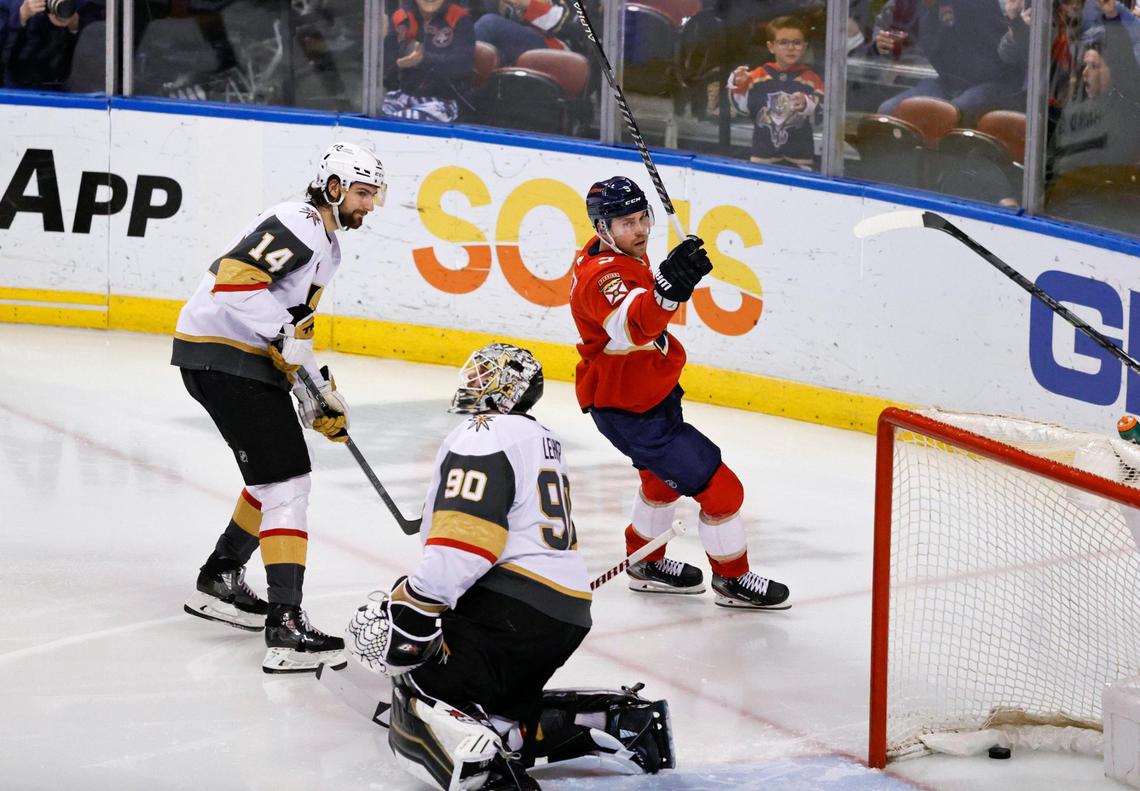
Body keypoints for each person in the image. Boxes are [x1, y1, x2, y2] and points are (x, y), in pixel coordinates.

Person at [343, 344, 674, 790]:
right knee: (499, 711)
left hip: (507, 610)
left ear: (510, 388)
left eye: (484, 376)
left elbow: (467, 538)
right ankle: (615, 722)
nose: (472, 384)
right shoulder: (539, 437)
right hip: (562, 617)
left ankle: (494, 777)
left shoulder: (483, 431)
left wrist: (417, 604)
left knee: (417, 685)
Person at [171, 141, 387, 673]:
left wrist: (319, 394)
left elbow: (293, 330)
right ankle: (285, 625)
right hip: (223, 358)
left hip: (240, 362)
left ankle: (221, 577)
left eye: (374, 194)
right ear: (333, 187)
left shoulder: (328, 246)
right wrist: (284, 340)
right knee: (287, 484)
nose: (369, 204)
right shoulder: (299, 220)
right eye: (361, 192)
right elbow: (235, 284)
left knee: (271, 479)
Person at [567, 176, 791, 610]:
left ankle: (645, 564)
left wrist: (668, 284)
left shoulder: (616, 255)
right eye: (626, 223)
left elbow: (642, 307)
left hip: (646, 399)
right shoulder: (601, 276)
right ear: (601, 229)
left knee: (659, 483)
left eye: (642, 218)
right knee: (723, 491)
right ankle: (732, 579)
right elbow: (633, 325)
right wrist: (667, 292)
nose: (640, 230)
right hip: (631, 410)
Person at [877, 0, 1023, 125]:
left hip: (1000, 83)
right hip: (948, 83)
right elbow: (884, 26)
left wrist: (1015, 25)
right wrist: (882, 41)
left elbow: (1018, 41)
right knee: (889, 111)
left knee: (953, 114)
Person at [728, 16, 824, 169]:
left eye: (797, 43)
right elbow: (741, 108)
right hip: (762, 155)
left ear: (805, 47)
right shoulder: (757, 76)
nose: (791, 48)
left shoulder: (811, 78)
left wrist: (808, 103)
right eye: (783, 42)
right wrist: (737, 84)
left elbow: (824, 108)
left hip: (800, 156)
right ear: (771, 46)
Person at [382, 0, 475, 123]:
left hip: (445, 101)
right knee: (373, 114)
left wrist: (424, 59)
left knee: (398, 122)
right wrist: (395, 60)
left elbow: (463, 67)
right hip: (403, 95)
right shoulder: (400, 18)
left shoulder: (460, 18)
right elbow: (385, 67)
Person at [1, 0, 102, 89]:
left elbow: (103, 33)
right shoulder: (7, 4)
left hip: (61, 87)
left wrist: (75, 23)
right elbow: (5, 55)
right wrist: (20, 16)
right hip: (11, 87)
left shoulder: (83, 4)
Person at [473, 0, 580, 67]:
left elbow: (575, 27)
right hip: (516, 41)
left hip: (557, 48)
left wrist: (529, 5)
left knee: (490, 24)